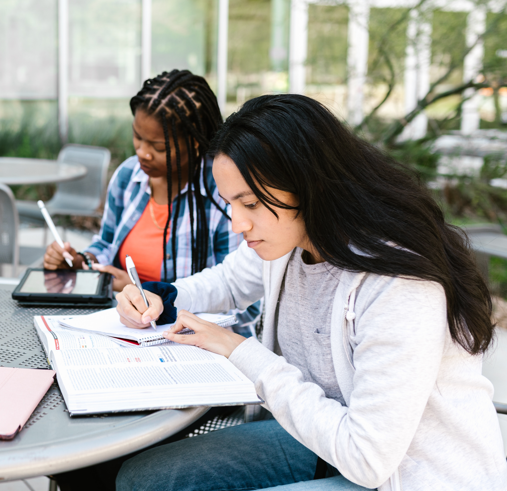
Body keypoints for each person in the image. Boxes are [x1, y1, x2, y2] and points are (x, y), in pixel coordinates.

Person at [114, 94, 507, 490]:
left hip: (405, 475)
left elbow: (367, 459)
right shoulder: (292, 238)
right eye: (230, 203)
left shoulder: (396, 283)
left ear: (306, 184)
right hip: (323, 439)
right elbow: (228, 282)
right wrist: (160, 298)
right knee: (142, 479)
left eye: (249, 203)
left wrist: (241, 351)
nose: (237, 224)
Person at [43, 69, 260, 335]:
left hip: (197, 343)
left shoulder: (222, 193)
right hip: (126, 331)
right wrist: (82, 262)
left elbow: (243, 300)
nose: (142, 153)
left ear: (194, 142)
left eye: (158, 147)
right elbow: (106, 244)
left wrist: (148, 292)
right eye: (137, 137)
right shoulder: (127, 177)